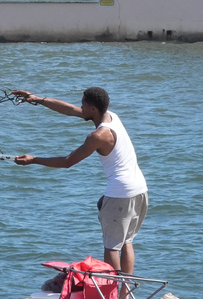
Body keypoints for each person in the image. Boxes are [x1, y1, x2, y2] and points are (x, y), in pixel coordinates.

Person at [12, 87, 148, 275]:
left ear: (93, 109)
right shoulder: (111, 116)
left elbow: (68, 162)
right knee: (126, 242)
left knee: (111, 247)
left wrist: (34, 160)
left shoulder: (98, 136)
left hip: (120, 194)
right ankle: (124, 297)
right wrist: (37, 99)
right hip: (140, 190)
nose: (80, 107)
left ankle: (111, 297)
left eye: (83, 104)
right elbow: (70, 110)